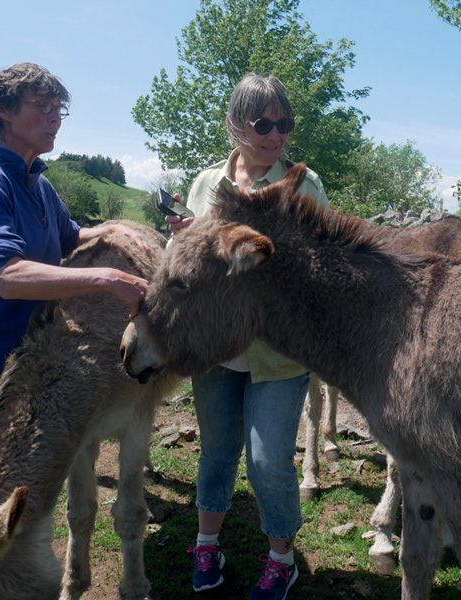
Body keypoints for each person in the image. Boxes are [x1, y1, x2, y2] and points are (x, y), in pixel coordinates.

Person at [165, 73, 329, 600]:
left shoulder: (304, 185)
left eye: (285, 124)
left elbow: (323, 268)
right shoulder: (206, 183)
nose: (276, 134)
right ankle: (206, 544)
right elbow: (197, 257)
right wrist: (187, 241)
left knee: (267, 461)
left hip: (280, 353)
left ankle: (282, 559)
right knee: (215, 452)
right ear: (236, 123)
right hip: (215, 345)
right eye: (264, 123)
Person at [0, 62, 151, 438]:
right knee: (0, 487)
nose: (54, 119)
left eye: (59, 110)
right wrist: (107, 278)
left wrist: (109, 227)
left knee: (32, 475)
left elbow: (68, 236)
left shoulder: (38, 183)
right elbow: (9, 277)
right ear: (3, 111)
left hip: (37, 350)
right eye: (42, 106)